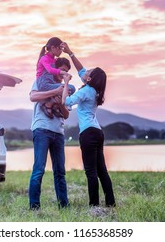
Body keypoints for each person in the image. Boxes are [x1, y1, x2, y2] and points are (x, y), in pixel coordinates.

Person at [61, 43, 116, 207]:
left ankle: (94, 206)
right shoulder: (95, 90)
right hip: (98, 132)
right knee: (102, 171)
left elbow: (66, 102)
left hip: (88, 134)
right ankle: (110, 203)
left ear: (90, 78)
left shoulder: (85, 91)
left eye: (89, 72)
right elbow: (80, 70)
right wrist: (70, 53)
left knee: (91, 172)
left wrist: (65, 83)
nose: (86, 72)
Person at [28, 57, 72, 210]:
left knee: (60, 172)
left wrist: (60, 103)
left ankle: (64, 206)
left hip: (58, 133)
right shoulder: (41, 82)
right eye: (62, 70)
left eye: (66, 71)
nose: (63, 73)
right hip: (42, 130)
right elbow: (33, 97)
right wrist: (54, 92)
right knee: (39, 169)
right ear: (56, 67)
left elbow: (66, 115)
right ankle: (34, 207)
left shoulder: (65, 88)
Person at [36, 37, 75, 118]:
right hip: (43, 84)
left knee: (70, 89)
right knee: (70, 88)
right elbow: (50, 70)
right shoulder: (44, 58)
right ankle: (49, 104)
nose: (61, 51)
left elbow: (60, 65)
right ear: (53, 47)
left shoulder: (54, 60)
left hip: (51, 83)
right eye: (60, 49)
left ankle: (54, 105)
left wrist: (68, 50)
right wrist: (63, 72)